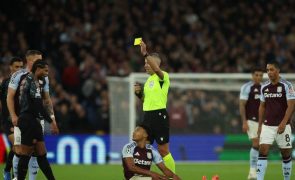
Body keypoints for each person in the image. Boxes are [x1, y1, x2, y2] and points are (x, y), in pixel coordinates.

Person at [7, 50, 58, 179]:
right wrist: (13, 115)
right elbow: (10, 97)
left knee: (38, 154)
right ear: (30, 61)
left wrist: (52, 118)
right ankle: (15, 177)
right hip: (24, 118)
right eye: (38, 60)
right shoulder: (20, 75)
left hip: (36, 118)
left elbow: (46, 99)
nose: (41, 62)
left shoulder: (42, 78)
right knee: (20, 152)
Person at [134, 40, 176, 173]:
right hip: (147, 116)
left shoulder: (163, 77)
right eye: (145, 63)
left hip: (159, 115)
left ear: (155, 64)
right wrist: (139, 94)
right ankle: (143, 176)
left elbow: (157, 70)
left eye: (148, 63)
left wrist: (145, 53)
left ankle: (171, 177)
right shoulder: (148, 82)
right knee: (142, 147)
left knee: (163, 150)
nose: (145, 65)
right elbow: (146, 100)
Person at [257, 61, 295, 180]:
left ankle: (287, 178)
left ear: (278, 70)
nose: (269, 72)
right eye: (267, 70)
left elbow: (291, 105)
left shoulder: (287, 85)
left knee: (286, 153)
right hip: (268, 125)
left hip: (283, 125)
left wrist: (284, 122)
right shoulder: (264, 87)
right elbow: (262, 106)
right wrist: (259, 126)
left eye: (271, 69)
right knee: (263, 149)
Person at [1, 57, 24, 180]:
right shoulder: (5, 83)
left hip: (21, 121)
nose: (19, 70)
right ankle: (13, 175)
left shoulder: (24, 83)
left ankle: (8, 171)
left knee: (18, 149)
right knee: (17, 147)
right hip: (8, 121)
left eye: (21, 67)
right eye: (16, 67)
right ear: (10, 67)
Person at [239, 67, 264, 180]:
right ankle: (252, 171)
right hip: (252, 120)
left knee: (262, 146)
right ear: (252, 76)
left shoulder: (265, 87)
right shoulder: (246, 87)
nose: (258, 77)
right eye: (256, 75)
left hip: (264, 121)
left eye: (260, 75)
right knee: (256, 143)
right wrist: (244, 121)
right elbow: (242, 105)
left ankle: (256, 171)